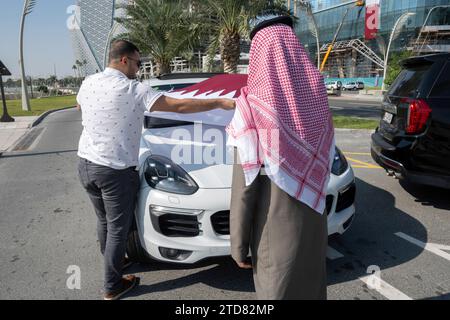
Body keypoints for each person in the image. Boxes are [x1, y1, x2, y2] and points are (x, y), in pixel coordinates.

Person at [76, 39, 235, 300]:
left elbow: (79, 106)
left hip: (85, 165)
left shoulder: (88, 83)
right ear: (124, 60)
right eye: (138, 63)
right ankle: (112, 286)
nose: (139, 69)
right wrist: (218, 104)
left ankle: (114, 263)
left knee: (104, 221)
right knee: (118, 228)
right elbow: (179, 106)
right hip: (114, 170)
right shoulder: (133, 90)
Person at [226, 14, 335, 300]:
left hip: (275, 233)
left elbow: (244, 186)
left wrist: (238, 245)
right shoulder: (317, 97)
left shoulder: (251, 107)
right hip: (314, 228)